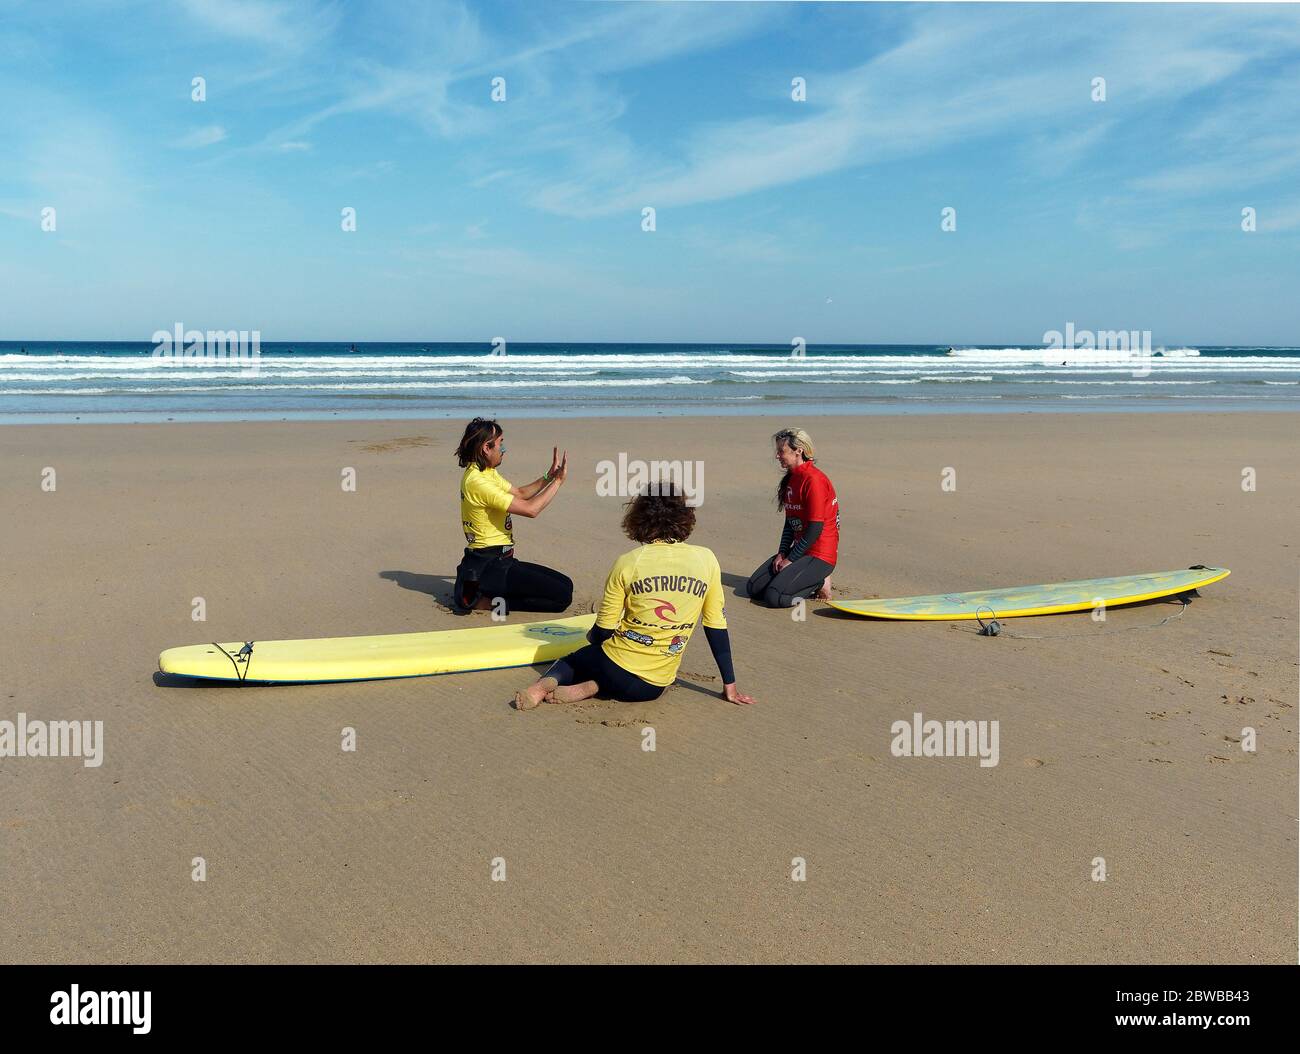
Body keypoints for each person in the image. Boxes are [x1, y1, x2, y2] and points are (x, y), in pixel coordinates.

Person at [513, 486, 755, 709]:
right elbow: (716, 626)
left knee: (577, 659)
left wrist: (592, 637)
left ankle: (539, 688)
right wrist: (729, 685)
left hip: (614, 666)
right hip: (651, 687)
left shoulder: (628, 563)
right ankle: (591, 688)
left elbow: (603, 632)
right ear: (685, 517)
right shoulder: (707, 559)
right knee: (618, 676)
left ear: (639, 519)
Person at [451, 417, 573, 614]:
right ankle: (481, 600)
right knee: (562, 598)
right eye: (500, 444)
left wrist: (548, 477)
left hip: (503, 559)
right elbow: (530, 509)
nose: (504, 449)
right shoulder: (477, 482)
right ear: (486, 448)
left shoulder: (485, 472)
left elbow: (520, 494)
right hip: (488, 563)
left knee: (566, 584)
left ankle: (474, 589)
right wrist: (558, 482)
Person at [746, 427, 838, 607]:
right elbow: (790, 524)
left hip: (820, 555)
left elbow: (814, 529)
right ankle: (795, 576)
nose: (777, 456)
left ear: (799, 451)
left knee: (774, 598)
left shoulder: (814, 480)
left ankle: (820, 581)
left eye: (781, 451)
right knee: (754, 588)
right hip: (800, 551)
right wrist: (782, 553)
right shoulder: (791, 479)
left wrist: (791, 559)